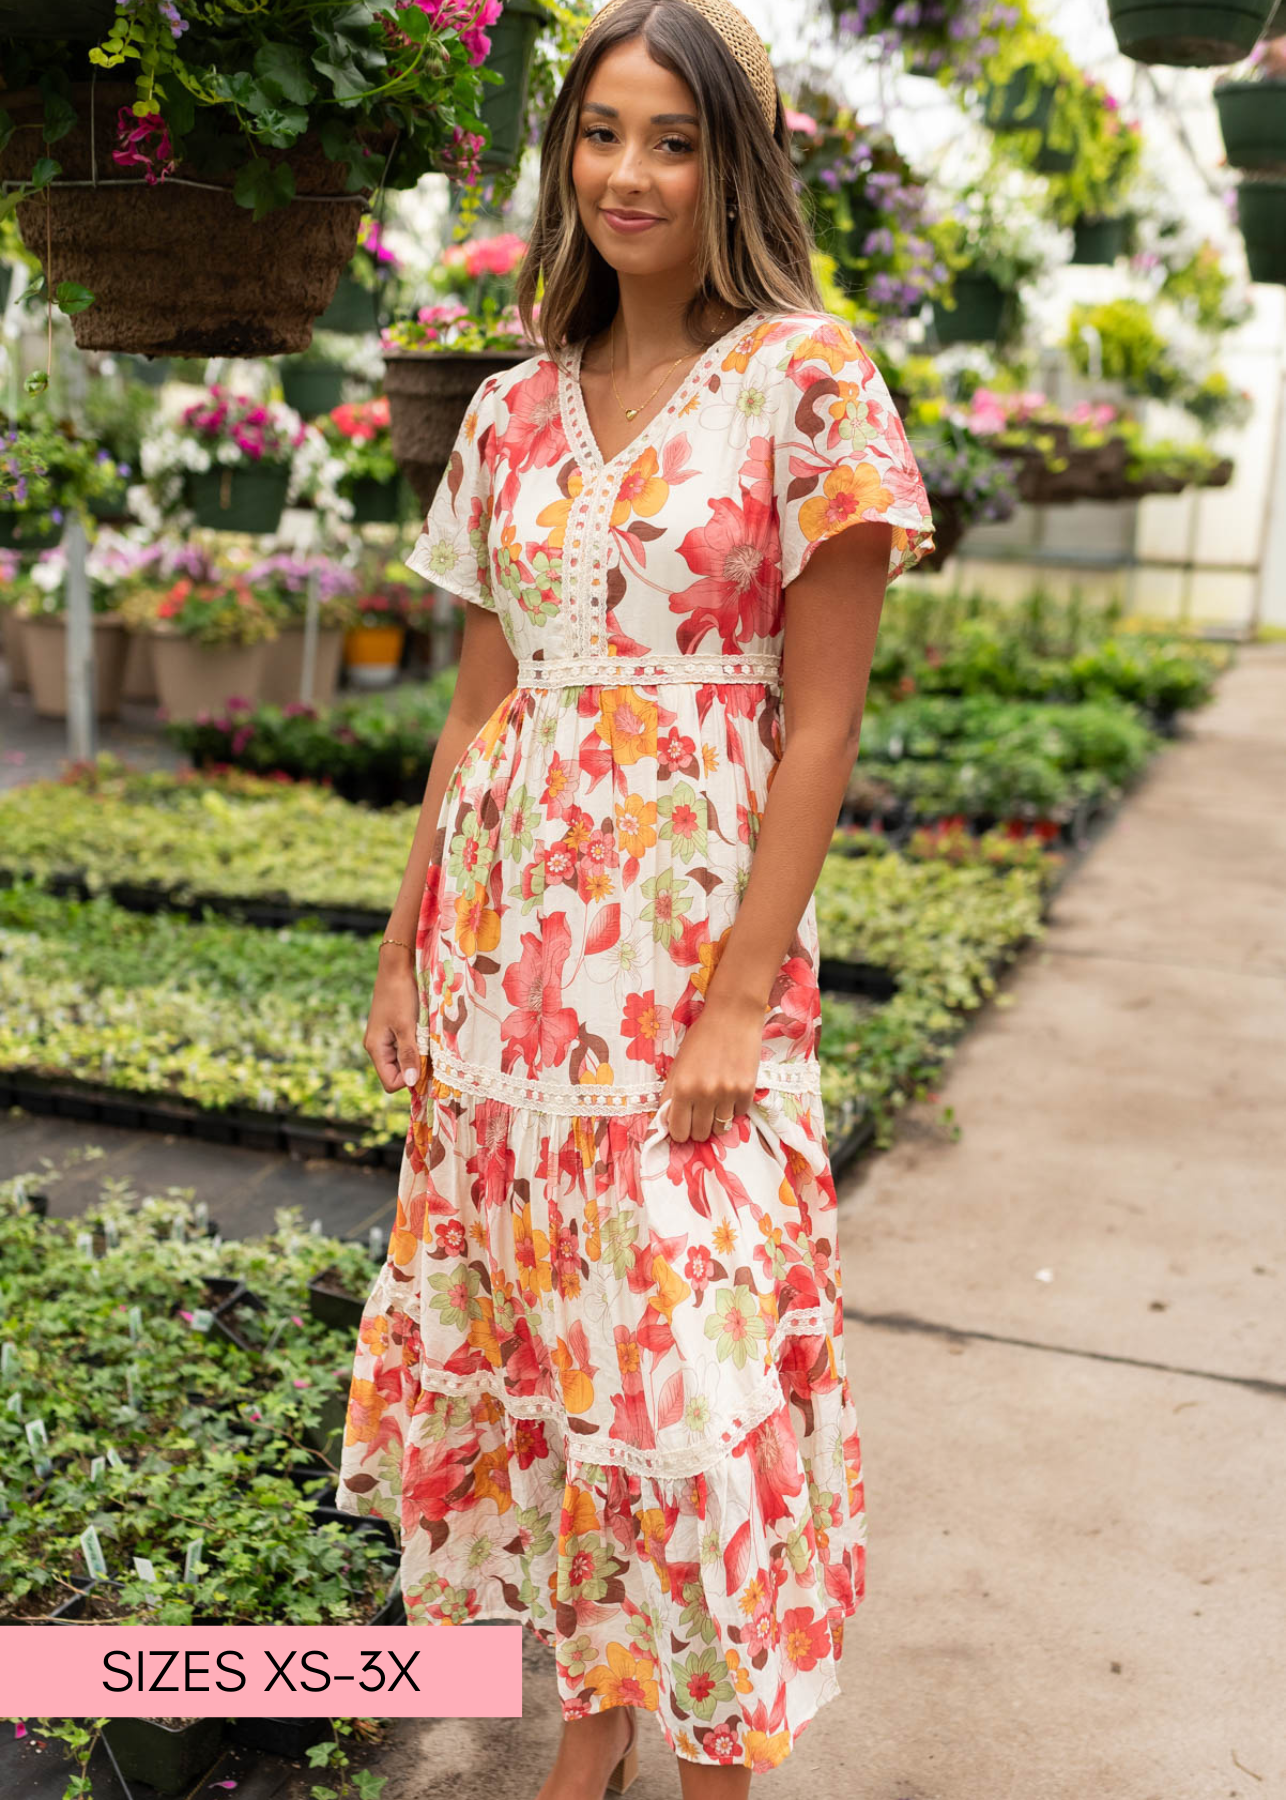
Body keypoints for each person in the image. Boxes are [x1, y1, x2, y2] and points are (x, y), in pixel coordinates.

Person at [337, 0, 935, 1791]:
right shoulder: (513, 407)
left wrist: (746, 990)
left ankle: (716, 1762)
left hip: (686, 958)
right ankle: (581, 1750)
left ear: (730, 158)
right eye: (601, 133)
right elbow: (477, 697)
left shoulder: (805, 377)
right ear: (561, 154)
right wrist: (402, 934)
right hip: (506, 961)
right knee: (546, 1351)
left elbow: (820, 720)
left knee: (690, 1391)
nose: (629, 174)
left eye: (671, 138)